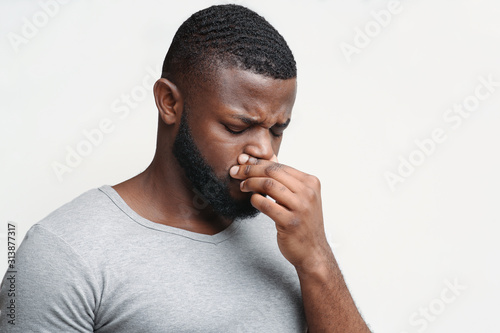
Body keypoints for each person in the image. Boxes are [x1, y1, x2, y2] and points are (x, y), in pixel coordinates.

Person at [0, 4, 371, 332]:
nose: (264, 151)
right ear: (169, 103)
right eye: (237, 127)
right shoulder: (64, 252)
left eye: (277, 130)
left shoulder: (290, 237)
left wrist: (317, 259)